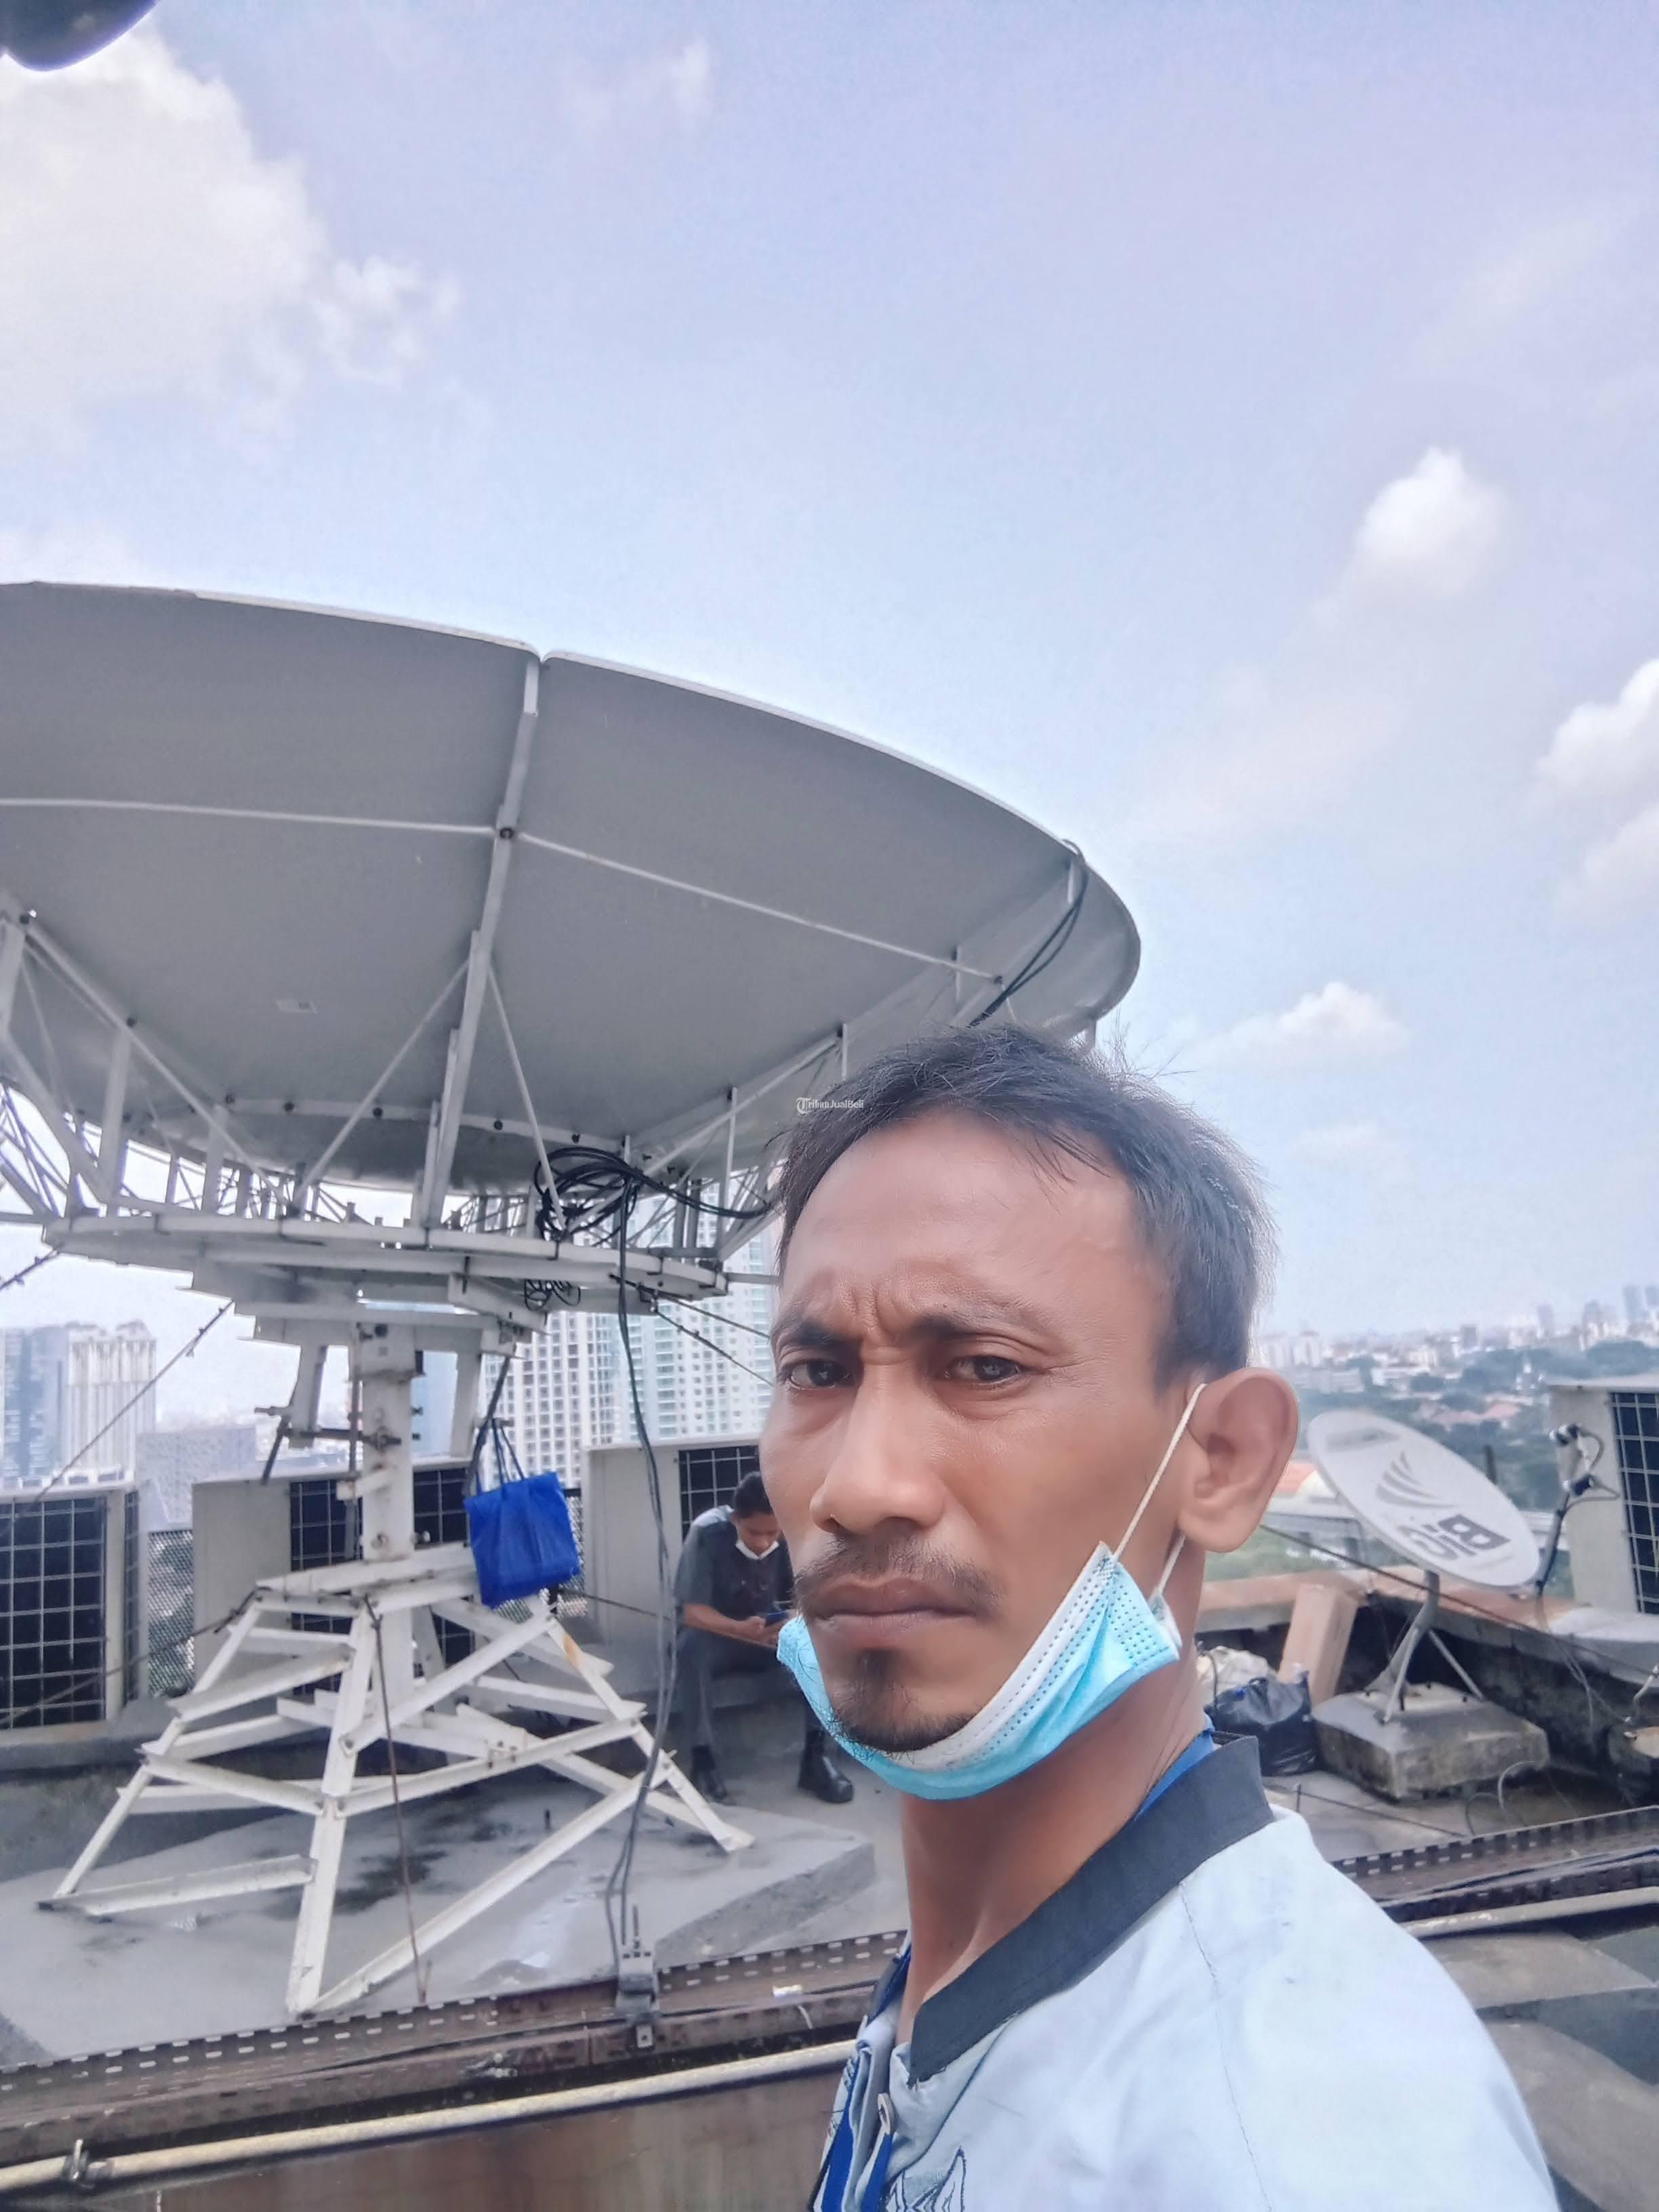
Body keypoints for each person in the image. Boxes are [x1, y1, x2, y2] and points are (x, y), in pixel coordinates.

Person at [763, 1025, 1555, 2211]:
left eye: (984, 1366)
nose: (856, 1486)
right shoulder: (971, 1972)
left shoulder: (1298, 2146)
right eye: (818, 1372)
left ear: (1221, 1459)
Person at [674, 1469, 853, 1807]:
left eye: (772, 1533)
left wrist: (788, 1621)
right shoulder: (706, 1534)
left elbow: (806, 1599)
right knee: (690, 1647)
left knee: (815, 1642)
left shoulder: (785, 1536)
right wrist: (738, 1629)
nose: (764, 1542)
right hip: (719, 1639)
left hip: (765, 1637)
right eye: (754, 1532)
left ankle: (816, 1757)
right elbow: (693, 1613)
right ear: (736, 1520)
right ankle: (703, 1761)